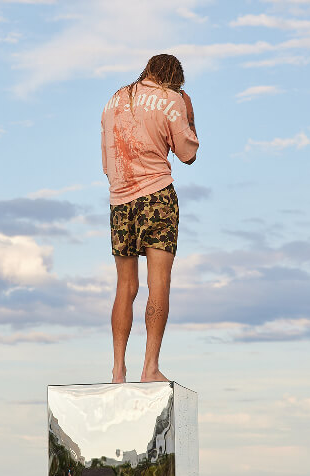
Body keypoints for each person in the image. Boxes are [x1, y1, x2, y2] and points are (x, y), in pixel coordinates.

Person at [101, 54, 199, 384]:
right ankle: (150, 368)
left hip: (119, 201)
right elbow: (188, 154)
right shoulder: (171, 100)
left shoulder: (114, 100)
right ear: (174, 79)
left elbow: (106, 163)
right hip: (157, 195)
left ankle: (118, 371)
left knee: (125, 286)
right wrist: (189, 113)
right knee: (158, 283)